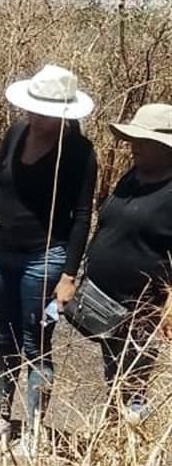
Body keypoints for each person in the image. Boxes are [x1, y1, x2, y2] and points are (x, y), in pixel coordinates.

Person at [0, 65, 97, 457]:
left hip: (46, 255)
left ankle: (35, 430)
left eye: (43, 110)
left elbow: (82, 217)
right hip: (4, 249)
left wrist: (69, 274)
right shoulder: (15, 134)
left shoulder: (79, 153)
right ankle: (1, 415)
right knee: (5, 338)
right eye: (32, 108)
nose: (34, 116)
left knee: (36, 343)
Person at [77, 103, 172, 424]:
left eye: (144, 142)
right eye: (134, 140)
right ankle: (114, 434)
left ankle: (132, 448)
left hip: (142, 308)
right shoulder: (131, 177)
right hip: (105, 302)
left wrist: (169, 308)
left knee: (134, 384)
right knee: (113, 376)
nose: (135, 147)